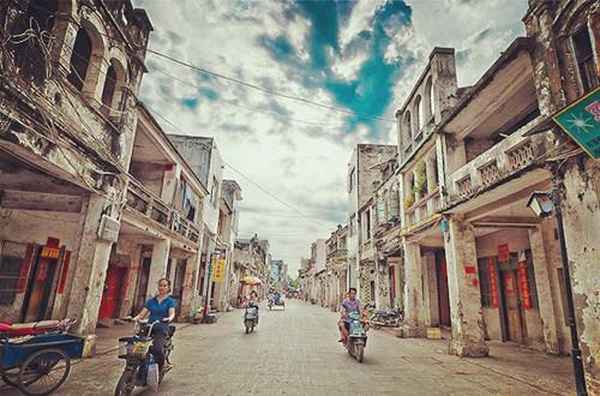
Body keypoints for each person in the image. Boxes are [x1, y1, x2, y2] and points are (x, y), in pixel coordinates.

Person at [133, 278, 176, 372]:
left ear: (168, 288)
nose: (162, 287)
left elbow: (172, 313)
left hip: (161, 327)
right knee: (138, 347)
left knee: (157, 348)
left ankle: (163, 364)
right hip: (149, 327)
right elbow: (142, 314)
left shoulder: (170, 301)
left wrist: (169, 318)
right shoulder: (151, 301)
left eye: (165, 285)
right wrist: (136, 318)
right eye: (160, 285)